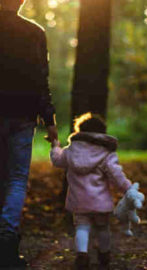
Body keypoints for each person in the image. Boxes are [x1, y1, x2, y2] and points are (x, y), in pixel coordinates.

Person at [0, 0, 57, 267]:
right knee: (16, 179)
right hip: (23, 115)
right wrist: (50, 120)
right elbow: (41, 79)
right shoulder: (35, 33)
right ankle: (7, 242)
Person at [50, 113, 134, 270]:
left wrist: (55, 146)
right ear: (102, 133)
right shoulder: (106, 153)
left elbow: (57, 160)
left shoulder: (71, 150)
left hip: (78, 200)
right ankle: (104, 254)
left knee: (81, 227)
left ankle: (82, 254)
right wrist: (128, 188)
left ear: (80, 131)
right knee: (103, 227)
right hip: (100, 202)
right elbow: (116, 175)